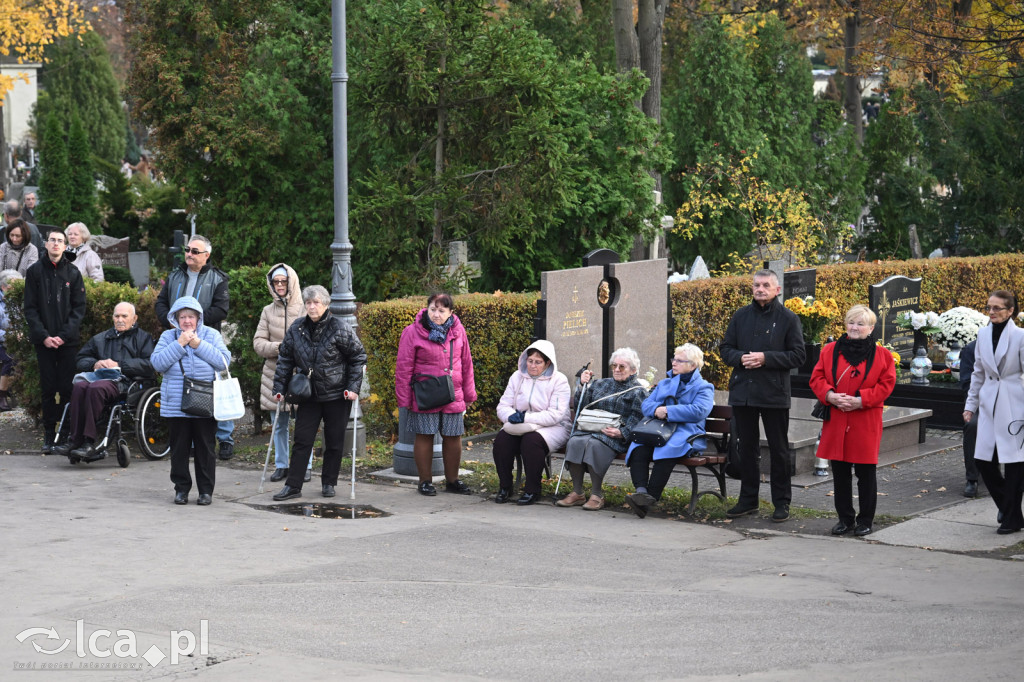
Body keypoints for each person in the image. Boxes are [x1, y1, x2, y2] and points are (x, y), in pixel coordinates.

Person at [720, 269, 805, 522]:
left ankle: (781, 503)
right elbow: (726, 349)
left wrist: (766, 358)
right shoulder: (741, 315)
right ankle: (748, 500)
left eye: (766, 285)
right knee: (746, 449)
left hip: (774, 393)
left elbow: (799, 356)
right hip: (743, 391)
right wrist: (741, 358)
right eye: (757, 285)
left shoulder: (789, 319)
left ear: (777, 290)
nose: (760, 289)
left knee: (778, 450)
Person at [271, 285, 366, 501]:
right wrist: (279, 388)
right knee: (302, 440)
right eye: (308, 303)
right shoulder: (297, 328)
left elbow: (358, 357)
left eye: (316, 302)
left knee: (333, 441)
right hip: (308, 394)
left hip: (336, 394)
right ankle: (293, 485)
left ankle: (329, 483)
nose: (312, 307)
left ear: (326, 304)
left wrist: (353, 388)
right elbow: (285, 359)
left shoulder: (339, 327)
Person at [809, 305, 896, 537]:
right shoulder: (829, 351)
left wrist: (861, 400)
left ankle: (865, 520)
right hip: (837, 418)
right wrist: (829, 395)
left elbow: (886, 385)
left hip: (865, 420)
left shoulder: (883, 356)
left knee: (866, 473)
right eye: (851, 322)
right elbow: (816, 377)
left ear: (871, 327)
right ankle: (845, 519)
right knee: (840, 472)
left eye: (860, 323)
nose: (854, 327)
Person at [154, 234, 233, 459]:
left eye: (195, 251)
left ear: (206, 256)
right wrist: (172, 322)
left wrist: (194, 323)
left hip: (205, 338)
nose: (189, 254)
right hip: (177, 337)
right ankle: (185, 442)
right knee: (180, 385)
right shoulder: (175, 275)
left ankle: (225, 438)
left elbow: (221, 309)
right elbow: (161, 302)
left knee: (215, 387)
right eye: (188, 250)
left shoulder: (218, 278)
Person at [150, 297, 232, 506]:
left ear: (198, 318)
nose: (187, 321)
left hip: (205, 401)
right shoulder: (168, 337)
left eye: (191, 317)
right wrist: (180, 344)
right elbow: (157, 363)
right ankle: (181, 490)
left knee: (206, 448)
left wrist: (198, 345)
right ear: (176, 319)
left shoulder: (211, 335)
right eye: (182, 317)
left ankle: (206, 491)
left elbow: (224, 362)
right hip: (176, 403)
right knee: (179, 449)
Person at [394, 292, 477, 496]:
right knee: (424, 435)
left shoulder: (458, 331)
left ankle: (453, 480)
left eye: (441, 310)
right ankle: (425, 481)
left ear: (450, 312)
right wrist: (404, 398)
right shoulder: (412, 332)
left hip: (453, 391)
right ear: (426, 309)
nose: (436, 314)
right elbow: (403, 367)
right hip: (426, 392)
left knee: (453, 436)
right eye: (433, 309)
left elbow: (466, 362)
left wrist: (469, 394)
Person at [53, 302, 155, 460]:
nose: (120, 319)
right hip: (100, 378)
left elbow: (150, 364)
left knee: (96, 388)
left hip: (126, 383)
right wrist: (94, 364)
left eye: (124, 316)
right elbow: (80, 359)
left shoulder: (144, 338)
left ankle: (88, 442)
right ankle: (74, 441)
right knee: (80, 386)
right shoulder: (101, 338)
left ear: (134, 318)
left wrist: (119, 365)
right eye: (116, 316)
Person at [623, 343, 715, 519]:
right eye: (674, 359)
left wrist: (669, 412)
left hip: (686, 432)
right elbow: (646, 404)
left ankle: (650, 498)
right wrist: (657, 409)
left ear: (693, 365)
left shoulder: (704, 387)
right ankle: (641, 493)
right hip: (658, 429)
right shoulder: (665, 383)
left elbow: (699, 411)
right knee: (638, 446)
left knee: (668, 449)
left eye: (680, 360)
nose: (674, 363)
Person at [556, 347, 646, 511]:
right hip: (589, 429)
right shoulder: (600, 384)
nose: (617, 370)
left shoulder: (638, 391)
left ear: (633, 370)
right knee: (575, 441)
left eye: (622, 367)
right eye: (614, 366)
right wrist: (582, 386)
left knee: (594, 445)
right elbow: (581, 407)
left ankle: (597, 495)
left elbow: (638, 417)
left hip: (614, 435)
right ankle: (577, 493)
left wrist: (622, 433)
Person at [964, 290, 1024, 534]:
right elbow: (978, 372)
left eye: (997, 308)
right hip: (989, 403)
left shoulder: (1021, 336)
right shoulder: (983, 333)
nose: (991, 312)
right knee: (983, 459)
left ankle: (1011, 518)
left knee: (1014, 462)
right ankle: (1011, 510)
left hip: (1014, 403)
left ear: (1011, 311)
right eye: (989, 307)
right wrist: (970, 405)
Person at [23, 228, 87, 453]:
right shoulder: (34, 272)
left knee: (67, 388)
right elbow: (30, 308)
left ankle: (67, 432)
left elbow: (79, 309)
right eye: (53, 240)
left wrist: (63, 336)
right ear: (46, 244)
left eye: (61, 241)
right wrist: (44, 336)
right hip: (44, 342)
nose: (57, 244)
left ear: (65, 245)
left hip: (67, 342)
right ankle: (49, 434)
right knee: (49, 388)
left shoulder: (73, 273)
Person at [492, 340, 570, 505]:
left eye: (538, 362)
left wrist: (525, 417)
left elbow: (555, 415)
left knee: (531, 441)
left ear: (548, 362)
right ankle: (505, 486)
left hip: (554, 427)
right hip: (522, 424)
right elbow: (503, 405)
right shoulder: (517, 377)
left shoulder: (559, 380)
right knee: (502, 441)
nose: (533, 366)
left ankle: (532, 490)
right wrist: (510, 416)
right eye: (530, 361)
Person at [253, 264, 311, 483]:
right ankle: (281, 465)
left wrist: (295, 350)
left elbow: (313, 342)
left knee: (304, 425)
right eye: (275, 282)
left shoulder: (305, 308)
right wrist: (279, 348)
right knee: (279, 424)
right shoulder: (268, 311)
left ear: (291, 282)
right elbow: (258, 344)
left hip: (300, 375)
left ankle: (304, 465)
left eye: (283, 281)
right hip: (274, 374)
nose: (279, 286)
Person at [0, 269, 24, 411]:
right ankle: (2, 395)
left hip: (17, 341)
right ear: (3, 287)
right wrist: (10, 335)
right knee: (11, 358)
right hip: (2, 342)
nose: (16, 290)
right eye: (12, 287)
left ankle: (16, 392)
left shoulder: (18, 301)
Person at [959, 339, 979, 497]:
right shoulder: (972, 349)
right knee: (973, 426)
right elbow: (967, 382)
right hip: (981, 402)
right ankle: (972, 479)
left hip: (1011, 402)